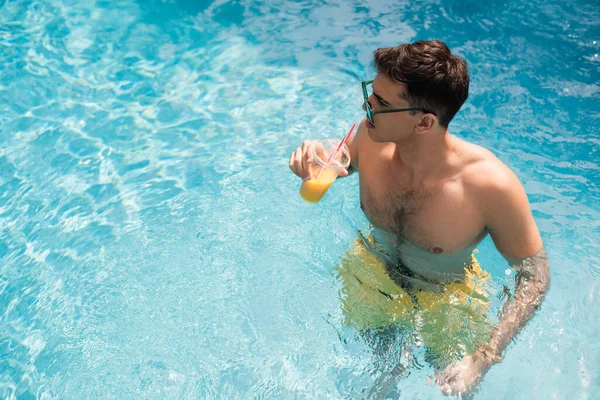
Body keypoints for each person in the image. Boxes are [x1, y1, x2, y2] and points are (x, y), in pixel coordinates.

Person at [288, 40, 550, 396]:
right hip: (370, 276)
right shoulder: (370, 135)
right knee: (372, 385)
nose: (367, 107)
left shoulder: (489, 186)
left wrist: (483, 357)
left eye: (381, 103)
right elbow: (338, 157)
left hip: (447, 297)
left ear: (424, 123)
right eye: (371, 94)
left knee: (456, 389)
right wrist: (314, 155)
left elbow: (535, 277)